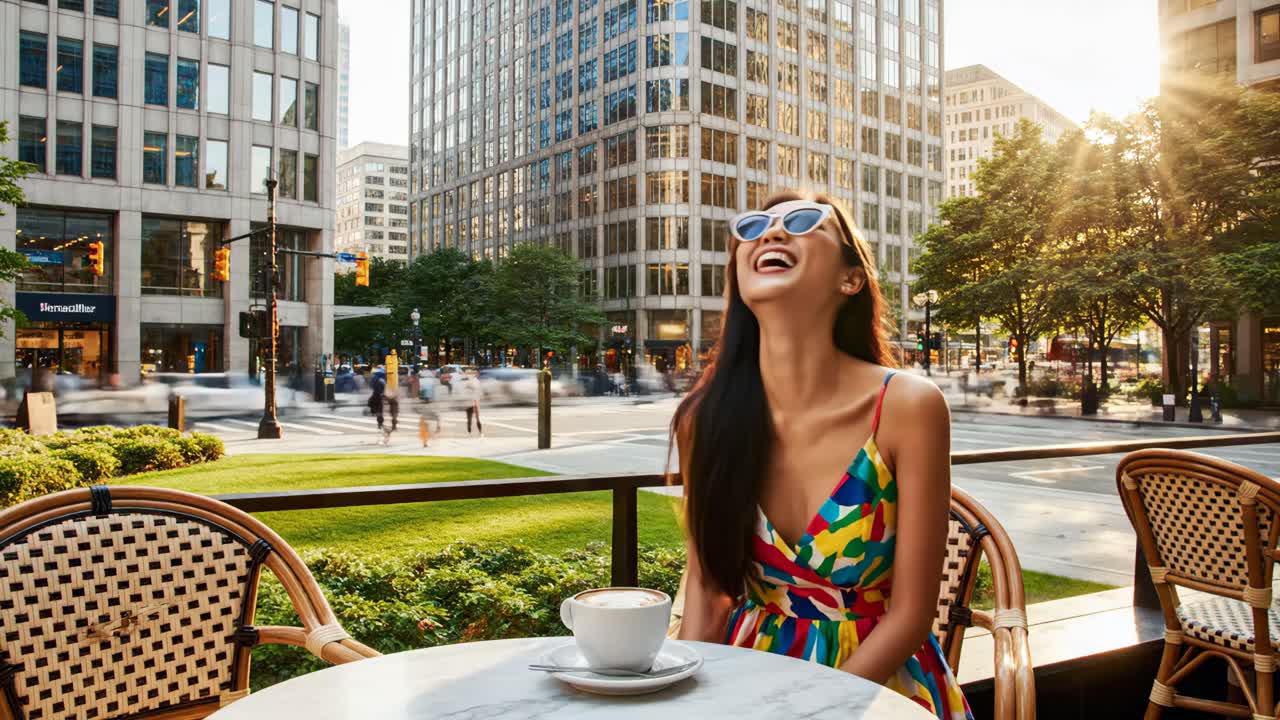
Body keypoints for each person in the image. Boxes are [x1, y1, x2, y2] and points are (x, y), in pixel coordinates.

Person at [672, 191, 970, 720]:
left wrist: (813, 708)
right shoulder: (706, 420)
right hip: (745, 678)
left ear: (850, 279)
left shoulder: (907, 406)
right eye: (754, 226)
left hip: (879, 684)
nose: (771, 233)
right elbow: (708, 594)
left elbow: (912, 613)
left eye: (804, 222)